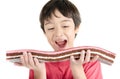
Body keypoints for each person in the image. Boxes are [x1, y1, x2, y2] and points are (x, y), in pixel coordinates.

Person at [16, 0, 103, 79]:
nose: (58, 33)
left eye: (65, 26)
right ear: (45, 33)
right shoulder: (37, 64)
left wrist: (77, 69)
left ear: (76, 28)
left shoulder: (90, 61)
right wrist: (39, 71)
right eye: (50, 28)